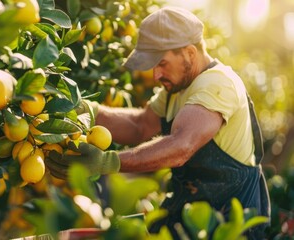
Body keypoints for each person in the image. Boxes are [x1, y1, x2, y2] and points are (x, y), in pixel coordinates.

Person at [46, 6, 270, 239]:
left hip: (227, 228)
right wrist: (87, 111)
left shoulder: (218, 84)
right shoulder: (178, 87)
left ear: (190, 54)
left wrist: (108, 162)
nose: (155, 76)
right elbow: (140, 125)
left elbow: (181, 146)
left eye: (161, 63)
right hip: (188, 218)